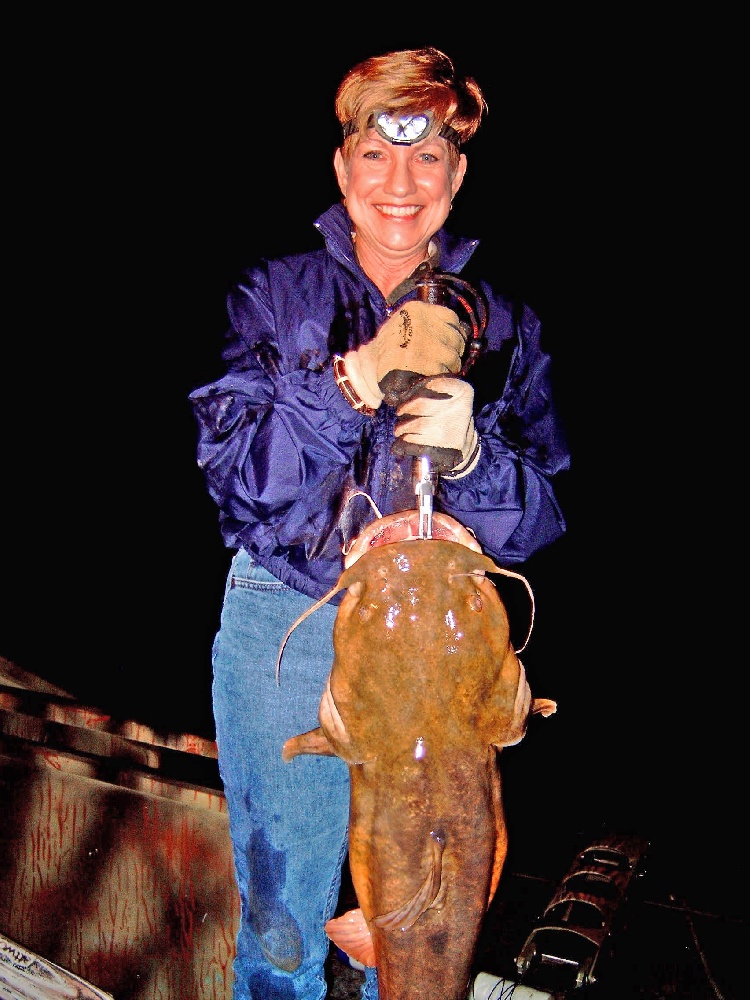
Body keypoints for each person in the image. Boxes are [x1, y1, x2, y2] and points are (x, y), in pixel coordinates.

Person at [189, 46, 570, 1000]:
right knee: (281, 929)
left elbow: (540, 517)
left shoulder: (507, 323)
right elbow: (237, 476)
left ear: (459, 174)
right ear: (341, 165)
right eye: (375, 154)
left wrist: (477, 456)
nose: (401, 184)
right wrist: (355, 378)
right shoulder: (272, 296)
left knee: (422, 918)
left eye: (430, 157)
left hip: (443, 640)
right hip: (290, 618)